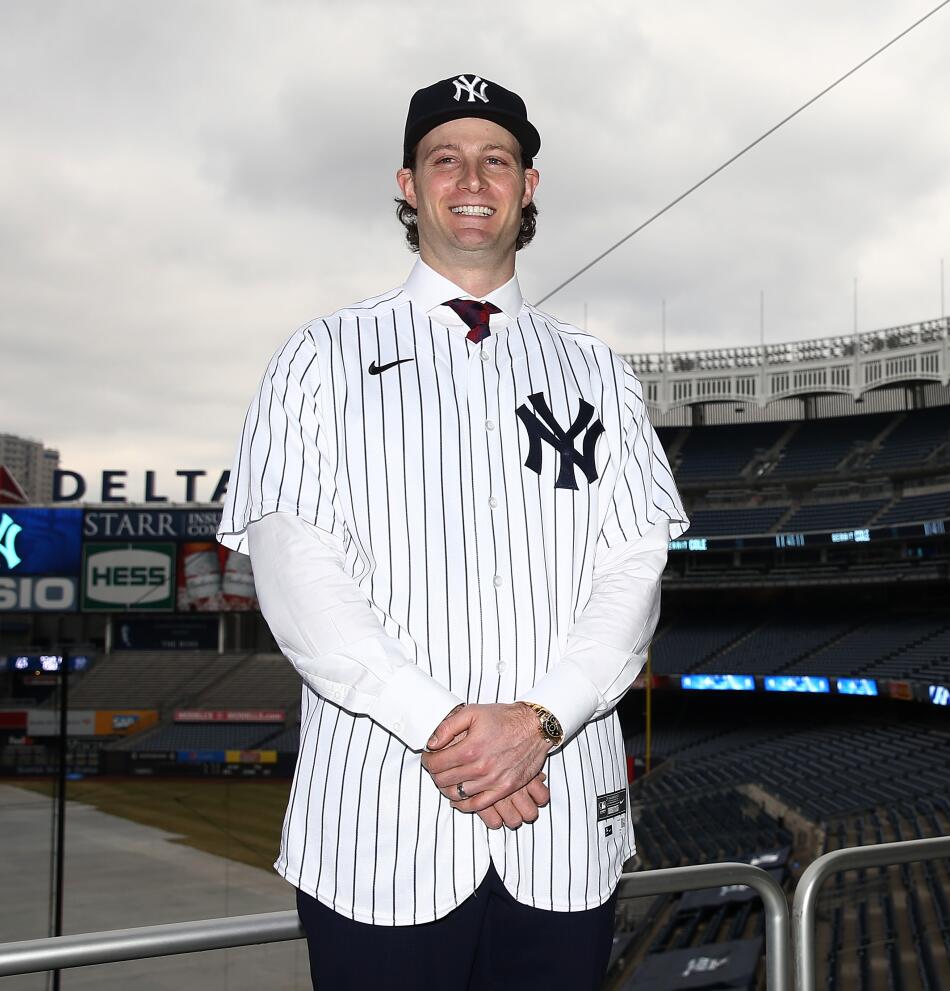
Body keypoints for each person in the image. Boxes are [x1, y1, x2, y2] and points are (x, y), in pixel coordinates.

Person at [217, 73, 687, 989]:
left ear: (528, 188)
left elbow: (634, 566)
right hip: (382, 822)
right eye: (446, 158)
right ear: (408, 183)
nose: (472, 178)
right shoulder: (318, 356)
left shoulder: (600, 371)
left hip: (560, 826)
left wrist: (542, 719)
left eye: (496, 159)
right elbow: (298, 571)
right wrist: (451, 731)